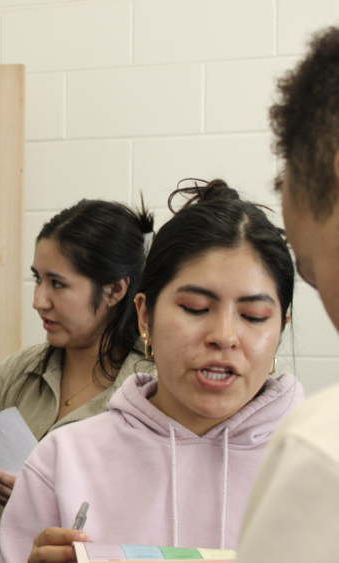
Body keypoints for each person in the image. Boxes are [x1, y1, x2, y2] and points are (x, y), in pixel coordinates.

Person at [0, 181, 304, 563]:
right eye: (195, 308)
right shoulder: (63, 460)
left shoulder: (321, 461)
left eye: (253, 316)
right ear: (145, 315)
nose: (224, 337)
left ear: (281, 327)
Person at [0, 199, 156, 563]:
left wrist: (37, 501)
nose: (39, 300)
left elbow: (148, 531)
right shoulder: (16, 374)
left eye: (58, 284)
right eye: (38, 279)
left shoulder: (150, 391)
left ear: (115, 291)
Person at [233, 26, 339, 563]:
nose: (223, 337)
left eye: (315, 273)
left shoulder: (320, 448)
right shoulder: (71, 450)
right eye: (194, 307)